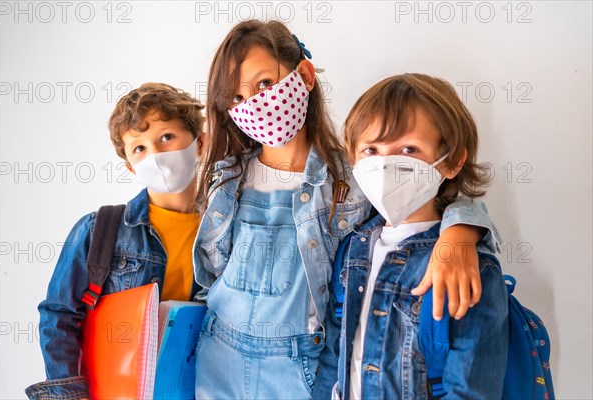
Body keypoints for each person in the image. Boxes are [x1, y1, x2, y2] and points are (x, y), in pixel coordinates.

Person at [193, 20, 501, 399]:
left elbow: (436, 200)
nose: (254, 104)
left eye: (264, 85)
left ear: (303, 75)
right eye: (237, 98)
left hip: (301, 370)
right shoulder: (226, 178)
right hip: (217, 360)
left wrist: (462, 235)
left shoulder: (359, 175)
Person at [316, 73, 509, 399]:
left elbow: (469, 388)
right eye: (372, 149)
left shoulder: (466, 267)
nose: (386, 163)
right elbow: (334, 354)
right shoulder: (352, 247)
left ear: (452, 161)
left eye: (409, 148)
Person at [25, 83, 206, 399]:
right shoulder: (99, 229)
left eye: (166, 137)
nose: (156, 154)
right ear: (130, 167)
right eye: (140, 148)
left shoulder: (225, 230)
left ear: (200, 143)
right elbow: (58, 317)